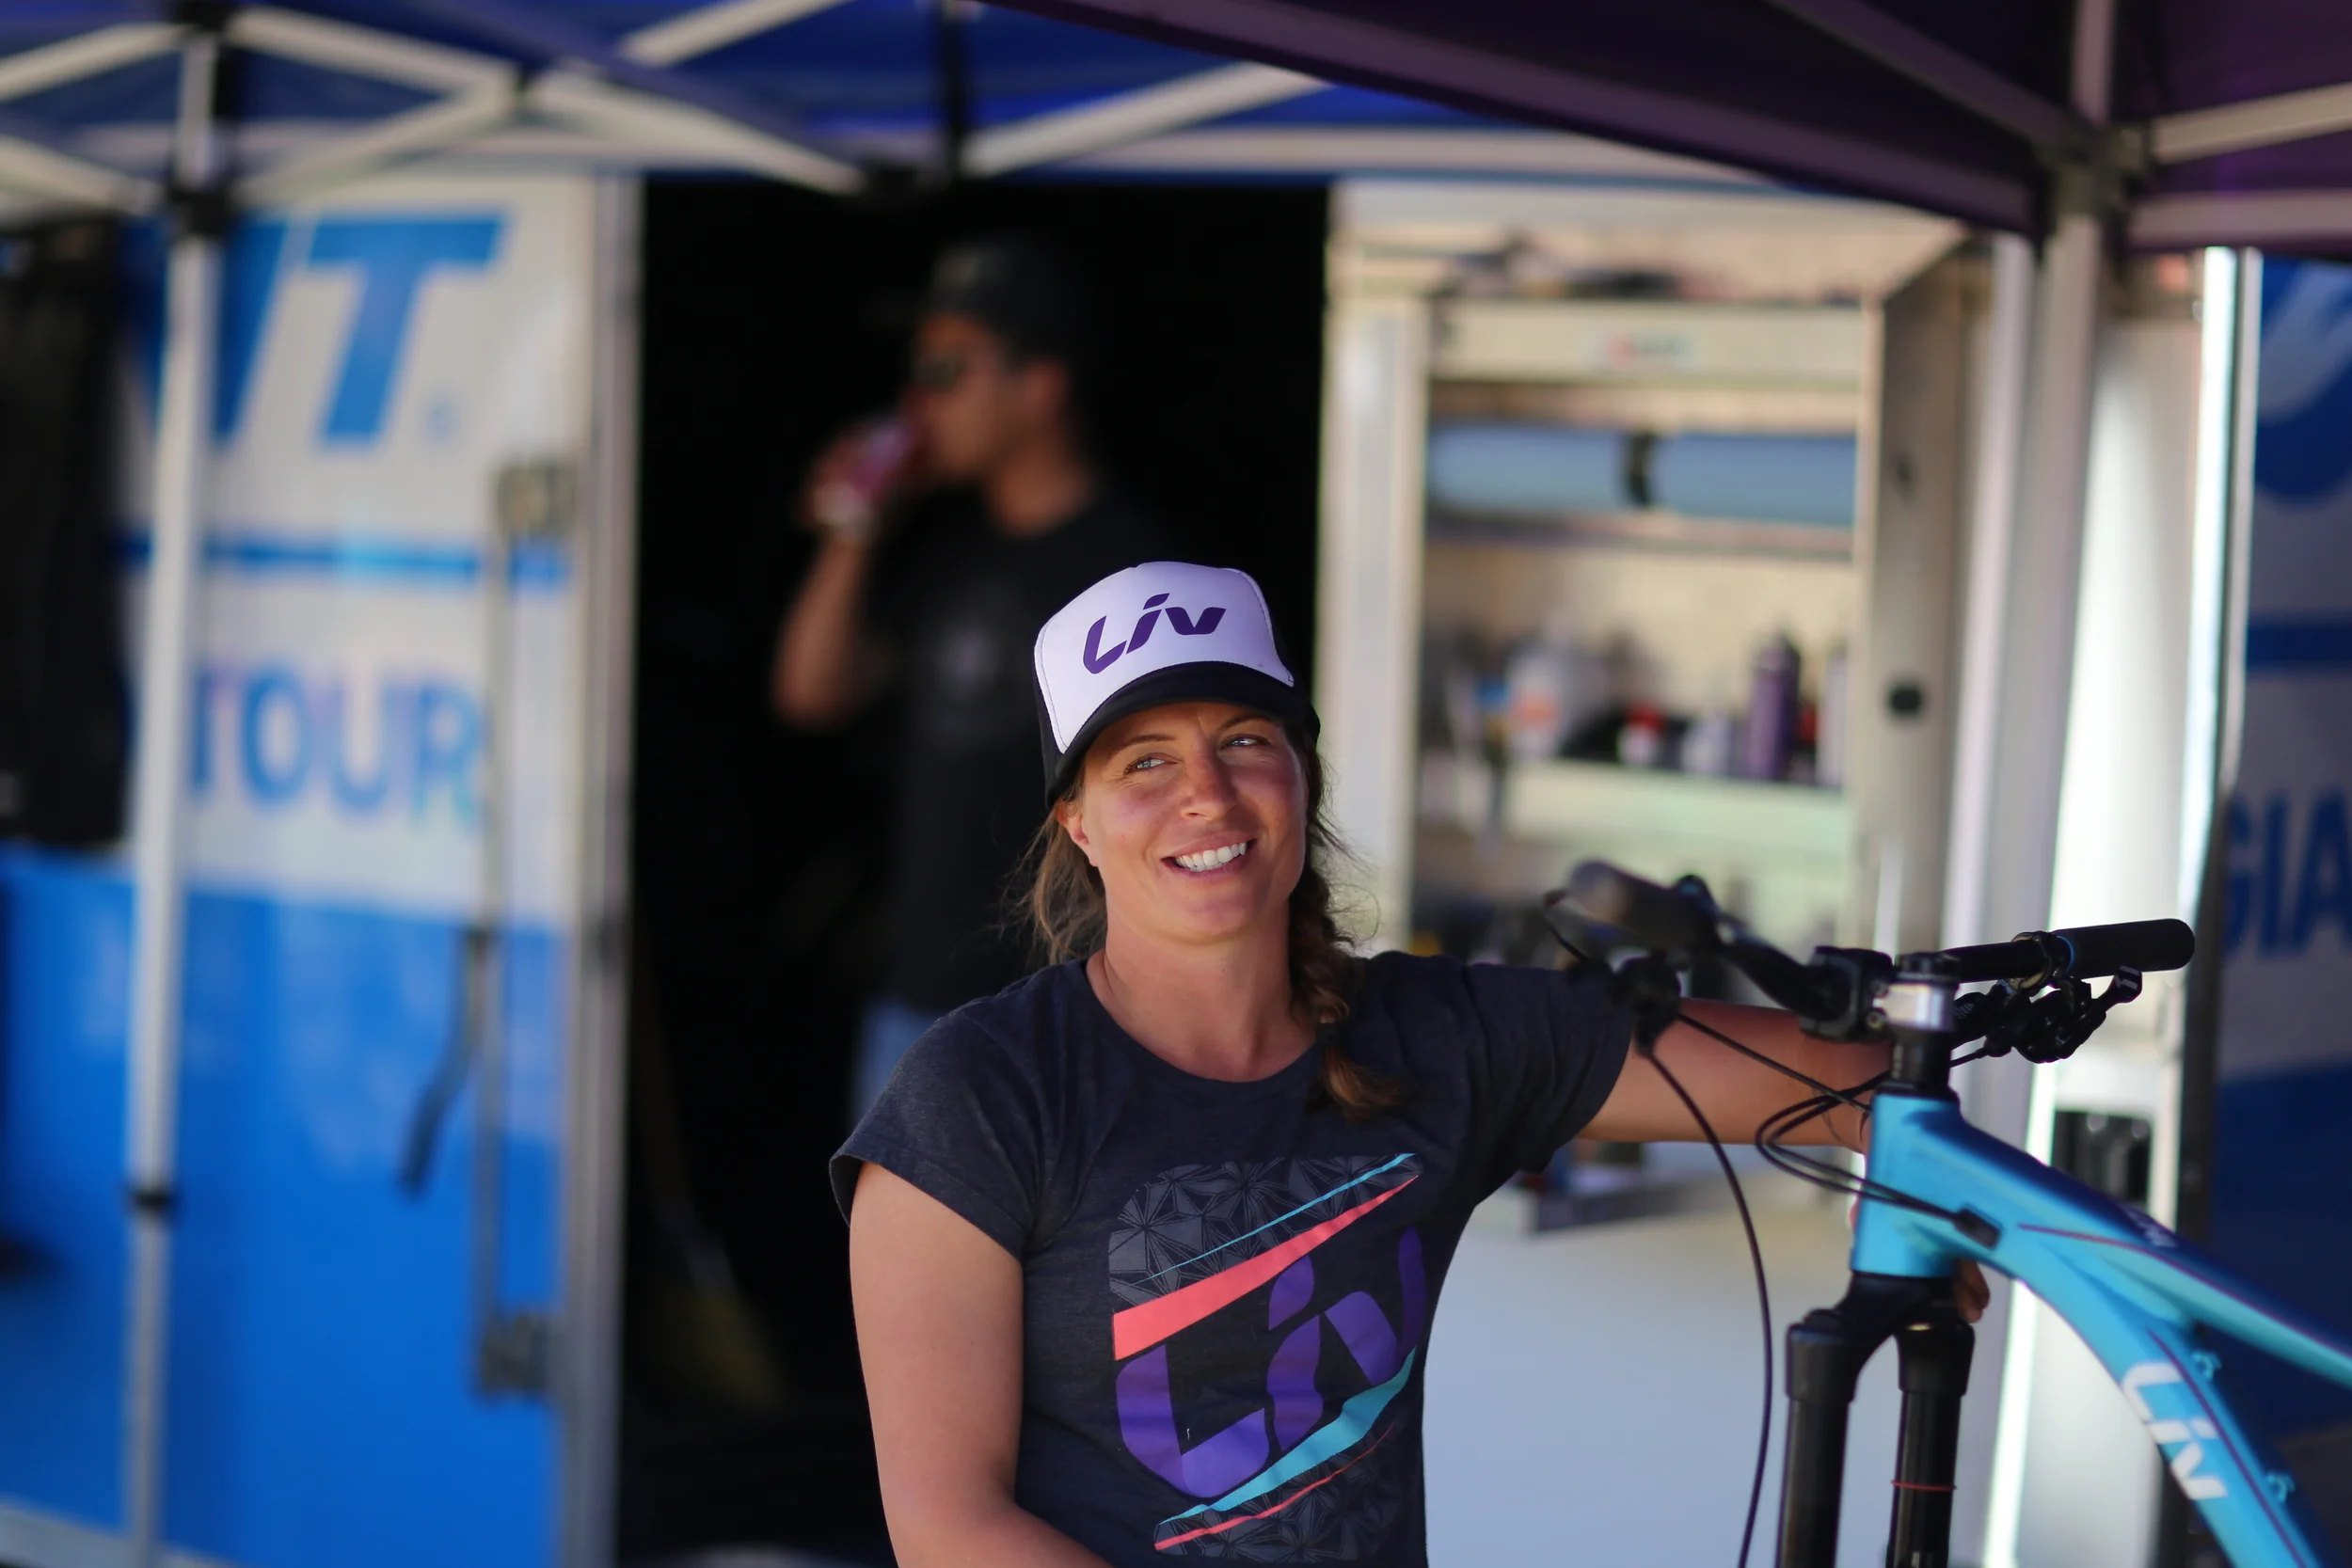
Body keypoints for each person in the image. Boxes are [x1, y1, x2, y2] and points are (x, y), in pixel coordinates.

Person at [830, 561, 1989, 1568]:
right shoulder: (979, 1092)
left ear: (1302, 777)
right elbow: (947, 1526)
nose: (1207, 794)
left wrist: (1907, 1179)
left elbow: (1847, 1076)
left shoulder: (1431, 1033)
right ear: (1077, 822)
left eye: (1244, 741)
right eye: (1143, 761)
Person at [773, 236, 1167, 1115]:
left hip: (1073, 1012)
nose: (920, 400)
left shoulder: (1134, 571)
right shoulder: (949, 554)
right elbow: (812, 690)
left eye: (948, 370)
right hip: (920, 1006)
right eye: (918, 371)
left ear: (1041, 386)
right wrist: (854, 525)